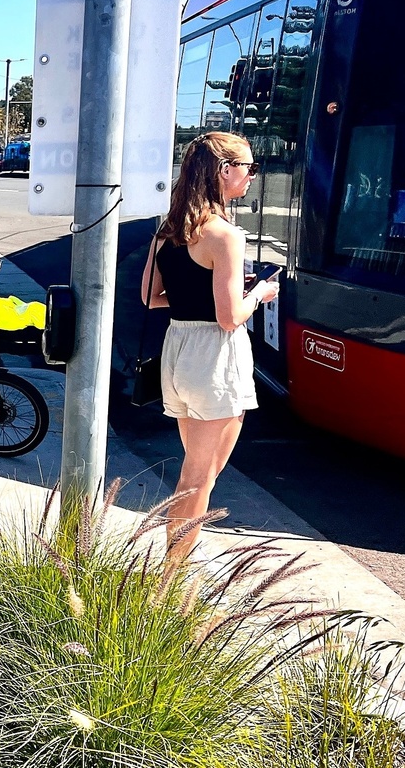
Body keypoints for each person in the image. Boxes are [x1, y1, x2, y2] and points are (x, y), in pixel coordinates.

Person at [140, 131, 279, 561]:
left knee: (198, 474)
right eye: (248, 167)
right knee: (198, 477)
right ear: (224, 170)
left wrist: (195, 297)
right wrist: (259, 296)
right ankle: (169, 582)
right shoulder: (225, 235)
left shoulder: (167, 231)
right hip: (215, 356)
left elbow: (149, 296)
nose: (252, 176)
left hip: (178, 349)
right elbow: (228, 317)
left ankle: (173, 570)